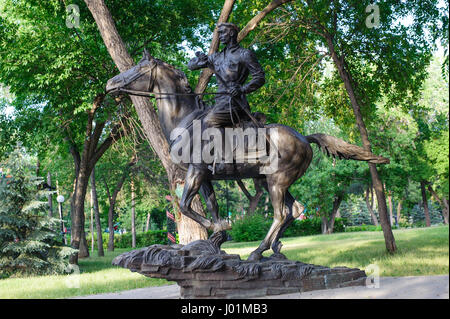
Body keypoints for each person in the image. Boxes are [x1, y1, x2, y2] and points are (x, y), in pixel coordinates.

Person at [188, 22, 265, 128]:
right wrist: (200, 59)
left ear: (232, 33)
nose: (220, 36)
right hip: (219, 103)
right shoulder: (216, 57)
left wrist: (242, 89)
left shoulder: (244, 54)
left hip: (234, 104)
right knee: (195, 118)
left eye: (222, 33)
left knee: (207, 123)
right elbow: (191, 66)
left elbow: (260, 77)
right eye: (219, 34)